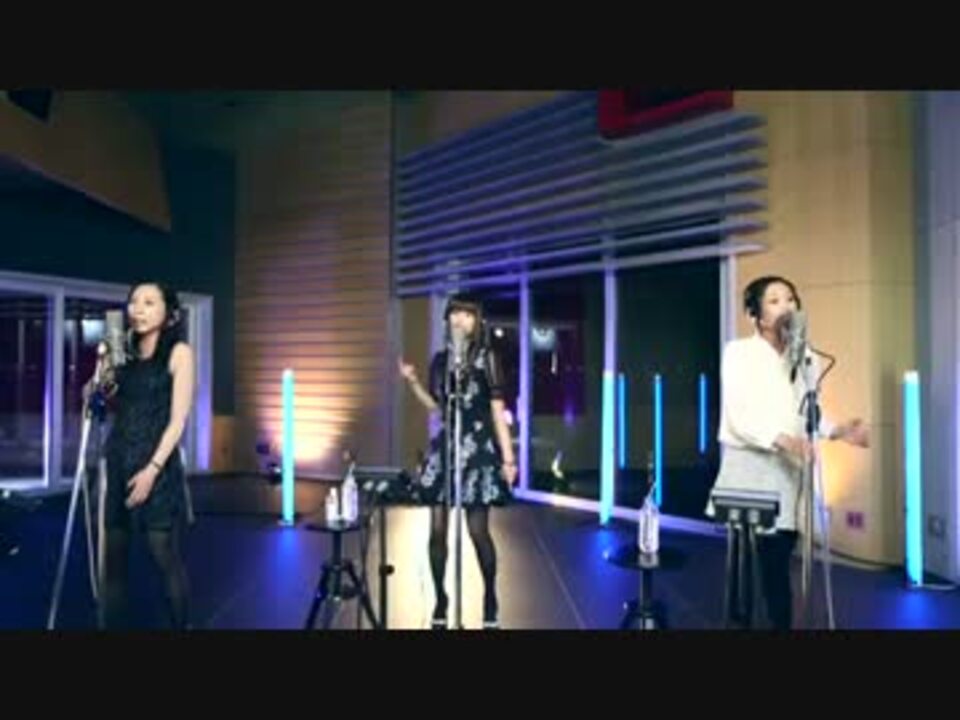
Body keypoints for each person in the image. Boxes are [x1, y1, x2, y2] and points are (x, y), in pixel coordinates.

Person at [708, 275, 869, 629]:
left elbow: (808, 413)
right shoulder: (738, 352)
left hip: (790, 472)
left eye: (791, 299)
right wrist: (784, 440)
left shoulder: (805, 356)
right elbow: (738, 416)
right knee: (752, 565)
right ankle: (745, 622)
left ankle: (779, 623)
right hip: (750, 470)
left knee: (780, 559)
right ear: (754, 314)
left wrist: (839, 431)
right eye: (775, 300)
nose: (787, 306)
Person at [398, 294, 517, 629]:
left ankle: (490, 596)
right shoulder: (441, 361)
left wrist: (508, 459)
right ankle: (441, 598)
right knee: (437, 532)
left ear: (476, 321)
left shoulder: (487, 358)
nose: (459, 320)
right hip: (446, 450)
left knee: (478, 531)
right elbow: (437, 407)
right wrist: (413, 382)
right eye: (454, 314)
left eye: (466, 314)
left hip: (477, 450)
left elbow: (497, 410)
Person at [97, 281, 195, 630]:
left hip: (157, 465)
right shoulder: (121, 350)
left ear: (169, 313)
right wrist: (102, 370)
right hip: (119, 459)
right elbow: (99, 398)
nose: (137, 309)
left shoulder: (179, 353)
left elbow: (178, 420)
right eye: (134, 301)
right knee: (113, 559)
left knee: (162, 553)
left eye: (149, 302)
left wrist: (152, 470)